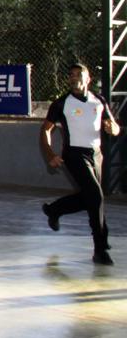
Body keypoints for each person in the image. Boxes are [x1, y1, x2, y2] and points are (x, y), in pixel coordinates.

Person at [40, 63, 120, 266]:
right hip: (74, 154)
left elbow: (115, 127)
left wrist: (114, 129)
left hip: (96, 154)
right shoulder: (61, 103)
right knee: (95, 195)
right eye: (71, 75)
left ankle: (54, 210)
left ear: (88, 79)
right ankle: (100, 249)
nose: (74, 78)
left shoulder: (99, 100)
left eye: (79, 74)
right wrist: (50, 153)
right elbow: (46, 130)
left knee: (90, 198)